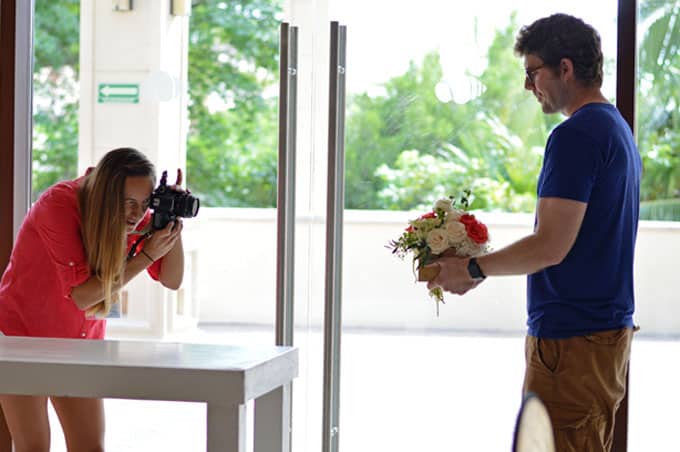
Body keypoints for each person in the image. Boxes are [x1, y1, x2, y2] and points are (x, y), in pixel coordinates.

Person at [427, 13, 641, 452]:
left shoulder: (576, 136)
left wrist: (471, 267)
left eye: (533, 73)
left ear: (565, 68)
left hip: (572, 341)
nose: (529, 87)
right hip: (601, 336)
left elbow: (550, 246)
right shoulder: (616, 128)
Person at [0, 147, 185, 452]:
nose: (137, 215)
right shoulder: (58, 204)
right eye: (128, 203)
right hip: (20, 338)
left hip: (78, 343)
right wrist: (148, 254)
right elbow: (84, 295)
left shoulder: (131, 214)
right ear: (105, 193)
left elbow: (172, 279)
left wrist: (169, 219)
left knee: (89, 447)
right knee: (33, 446)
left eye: (144, 204)